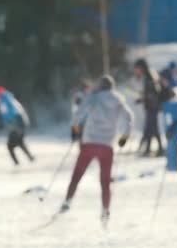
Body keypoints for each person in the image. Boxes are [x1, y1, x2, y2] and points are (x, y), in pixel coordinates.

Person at [60, 75, 133, 226]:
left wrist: (74, 131)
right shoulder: (118, 99)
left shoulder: (93, 97)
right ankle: (105, 210)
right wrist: (124, 136)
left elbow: (78, 114)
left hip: (90, 142)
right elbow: (128, 117)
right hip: (107, 145)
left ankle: (67, 201)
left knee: (77, 174)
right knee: (105, 181)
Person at [0, 86, 34, 165]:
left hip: (18, 124)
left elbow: (13, 113)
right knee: (19, 142)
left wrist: (2, 122)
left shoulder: (5, 101)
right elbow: (8, 114)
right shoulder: (6, 99)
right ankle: (30, 159)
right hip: (18, 124)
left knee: (10, 145)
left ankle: (17, 164)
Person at [134, 58, 164, 157]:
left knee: (151, 128)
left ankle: (155, 149)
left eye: (137, 68)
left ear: (141, 67)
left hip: (152, 107)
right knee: (151, 128)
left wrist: (142, 99)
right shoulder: (150, 75)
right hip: (152, 106)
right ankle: (151, 149)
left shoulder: (148, 77)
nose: (136, 70)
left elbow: (152, 93)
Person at [162, 87, 177, 171]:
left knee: (173, 148)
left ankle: (174, 166)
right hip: (175, 130)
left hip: (174, 130)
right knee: (173, 148)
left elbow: (168, 119)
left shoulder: (170, 105)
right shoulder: (174, 105)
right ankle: (174, 166)